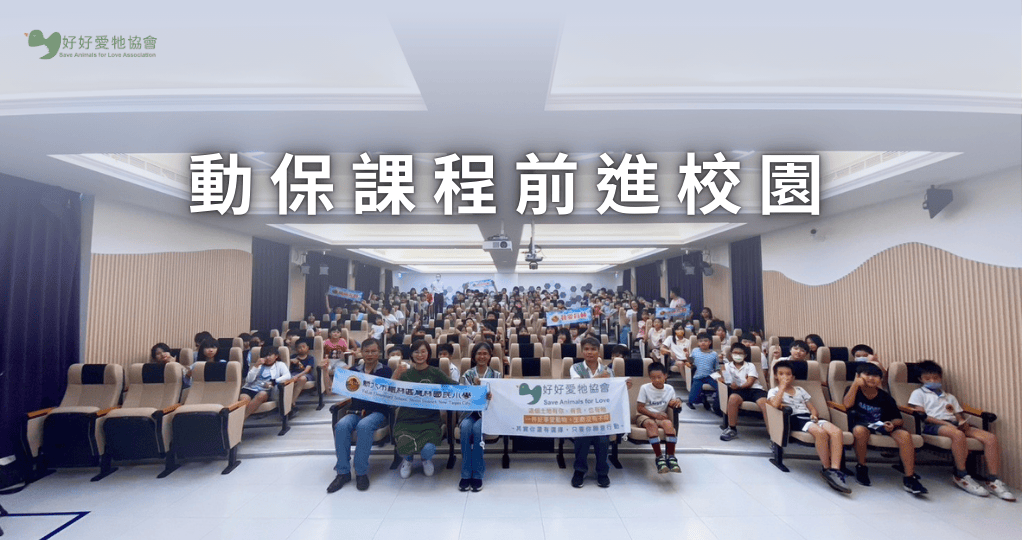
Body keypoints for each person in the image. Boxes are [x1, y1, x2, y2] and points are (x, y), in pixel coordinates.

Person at [908, 361, 1015, 500]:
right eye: (928, 379)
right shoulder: (918, 393)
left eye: (935, 378)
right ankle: (961, 474)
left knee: (990, 438)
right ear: (920, 379)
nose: (932, 381)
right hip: (933, 425)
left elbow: (958, 416)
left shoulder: (949, 397)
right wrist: (946, 424)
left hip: (953, 424)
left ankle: (993, 479)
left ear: (940, 378)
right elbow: (923, 416)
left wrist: (961, 422)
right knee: (957, 434)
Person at [843, 362, 927, 494]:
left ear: (881, 379)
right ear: (858, 376)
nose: (872, 378)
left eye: (876, 376)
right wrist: (855, 384)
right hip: (862, 424)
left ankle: (910, 477)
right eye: (867, 374)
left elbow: (898, 419)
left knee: (905, 435)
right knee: (860, 431)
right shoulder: (853, 390)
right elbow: (847, 405)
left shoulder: (885, 396)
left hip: (882, 425)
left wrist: (892, 424)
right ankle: (861, 467)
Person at [767, 360, 850, 493]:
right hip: (794, 418)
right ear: (776, 376)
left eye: (788, 374)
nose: (785, 377)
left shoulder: (800, 390)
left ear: (793, 377)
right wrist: (782, 388)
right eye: (781, 374)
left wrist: (814, 415)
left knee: (837, 432)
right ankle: (826, 468)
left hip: (809, 417)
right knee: (820, 433)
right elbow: (775, 405)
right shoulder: (774, 391)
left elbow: (811, 407)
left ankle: (835, 469)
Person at [328, 338, 392, 493]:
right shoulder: (354, 371)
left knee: (364, 426)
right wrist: (325, 371)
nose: (370, 354)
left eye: (373, 351)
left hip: (377, 412)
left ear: (379, 352)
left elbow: (390, 393)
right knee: (341, 426)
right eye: (367, 351)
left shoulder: (386, 371)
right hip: (355, 412)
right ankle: (343, 472)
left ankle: (361, 472)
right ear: (361, 352)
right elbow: (332, 391)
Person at [569, 336, 631, 488]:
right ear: (582, 351)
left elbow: (611, 392)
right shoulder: (575, 368)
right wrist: (599, 378)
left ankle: (602, 472)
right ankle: (579, 471)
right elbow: (579, 387)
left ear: (599, 352)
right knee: (582, 439)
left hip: (601, 413)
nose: (589, 352)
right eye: (586, 349)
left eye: (593, 349)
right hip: (582, 413)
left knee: (602, 440)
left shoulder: (608, 371)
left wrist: (623, 386)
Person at [392, 340, 456, 478]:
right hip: (406, 420)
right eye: (416, 352)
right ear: (411, 354)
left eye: (423, 351)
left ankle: (426, 459)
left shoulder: (435, 373)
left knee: (428, 449)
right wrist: (396, 374)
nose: (420, 355)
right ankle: (408, 460)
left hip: (430, 421)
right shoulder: (405, 374)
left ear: (428, 354)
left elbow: (454, 386)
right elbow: (389, 393)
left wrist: (477, 389)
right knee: (403, 443)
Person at [458, 342, 500, 492]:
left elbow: (500, 399)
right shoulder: (467, 375)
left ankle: (477, 474)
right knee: (465, 427)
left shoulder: (496, 375)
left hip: (487, 414)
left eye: (485, 354)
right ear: (474, 356)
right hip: (469, 413)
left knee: (477, 429)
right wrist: (477, 389)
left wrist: (491, 396)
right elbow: (463, 396)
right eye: (479, 354)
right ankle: (465, 473)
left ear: (490, 356)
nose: (482, 356)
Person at [635, 362, 682, 473]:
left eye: (659, 377)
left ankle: (671, 456)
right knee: (651, 424)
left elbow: (672, 403)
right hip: (645, 415)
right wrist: (655, 415)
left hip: (661, 416)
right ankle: (659, 457)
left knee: (669, 424)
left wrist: (677, 402)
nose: (656, 380)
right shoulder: (644, 388)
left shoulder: (670, 388)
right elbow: (640, 408)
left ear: (665, 376)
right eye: (653, 378)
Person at [719, 343, 769, 441]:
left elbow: (750, 382)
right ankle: (732, 429)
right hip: (738, 391)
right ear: (731, 354)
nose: (737, 355)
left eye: (740, 353)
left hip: (754, 390)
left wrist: (739, 386)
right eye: (735, 353)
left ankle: (773, 435)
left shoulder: (750, 365)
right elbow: (726, 379)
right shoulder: (727, 366)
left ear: (745, 355)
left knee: (765, 403)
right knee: (733, 398)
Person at [239, 347, 291, 418]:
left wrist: (273, 381)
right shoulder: (258, 365)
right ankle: (241, 420)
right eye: (265, 356)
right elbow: (249, 380)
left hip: (264, 390)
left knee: (261, 395)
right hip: (249, 388)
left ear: (276, 356)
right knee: (244, 400)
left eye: (269, 355)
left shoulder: (280, 365)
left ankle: (242, 419)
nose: (267, 358)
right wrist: (256, 366)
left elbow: (287, 376)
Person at [685, 333, 719, 409]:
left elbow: (717, 367)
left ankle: (716, 405)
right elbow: (691, 361)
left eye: (705, 341)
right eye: (700, 341)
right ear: (698, 343)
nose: (703, 343)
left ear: (710, 342)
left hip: (710, 376)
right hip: (698, 376)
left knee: (720, 388)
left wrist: (719, 376)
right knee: (693, 399)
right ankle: (701, 399)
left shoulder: (714, 354)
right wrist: (687, 357)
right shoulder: (695, 351)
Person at [288, 339, 315, 405]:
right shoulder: (293, 357)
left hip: (306, 375)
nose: (302, 349)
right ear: (296, 349)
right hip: (293, 374)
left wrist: (298, 363)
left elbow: (306, 370)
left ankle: (292, 402)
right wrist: (290, 361)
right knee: (287, 380)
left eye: (303, 347)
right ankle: (287, 402)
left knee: (302, 378)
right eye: (299, 347)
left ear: (307, 348)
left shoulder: (310, 358)